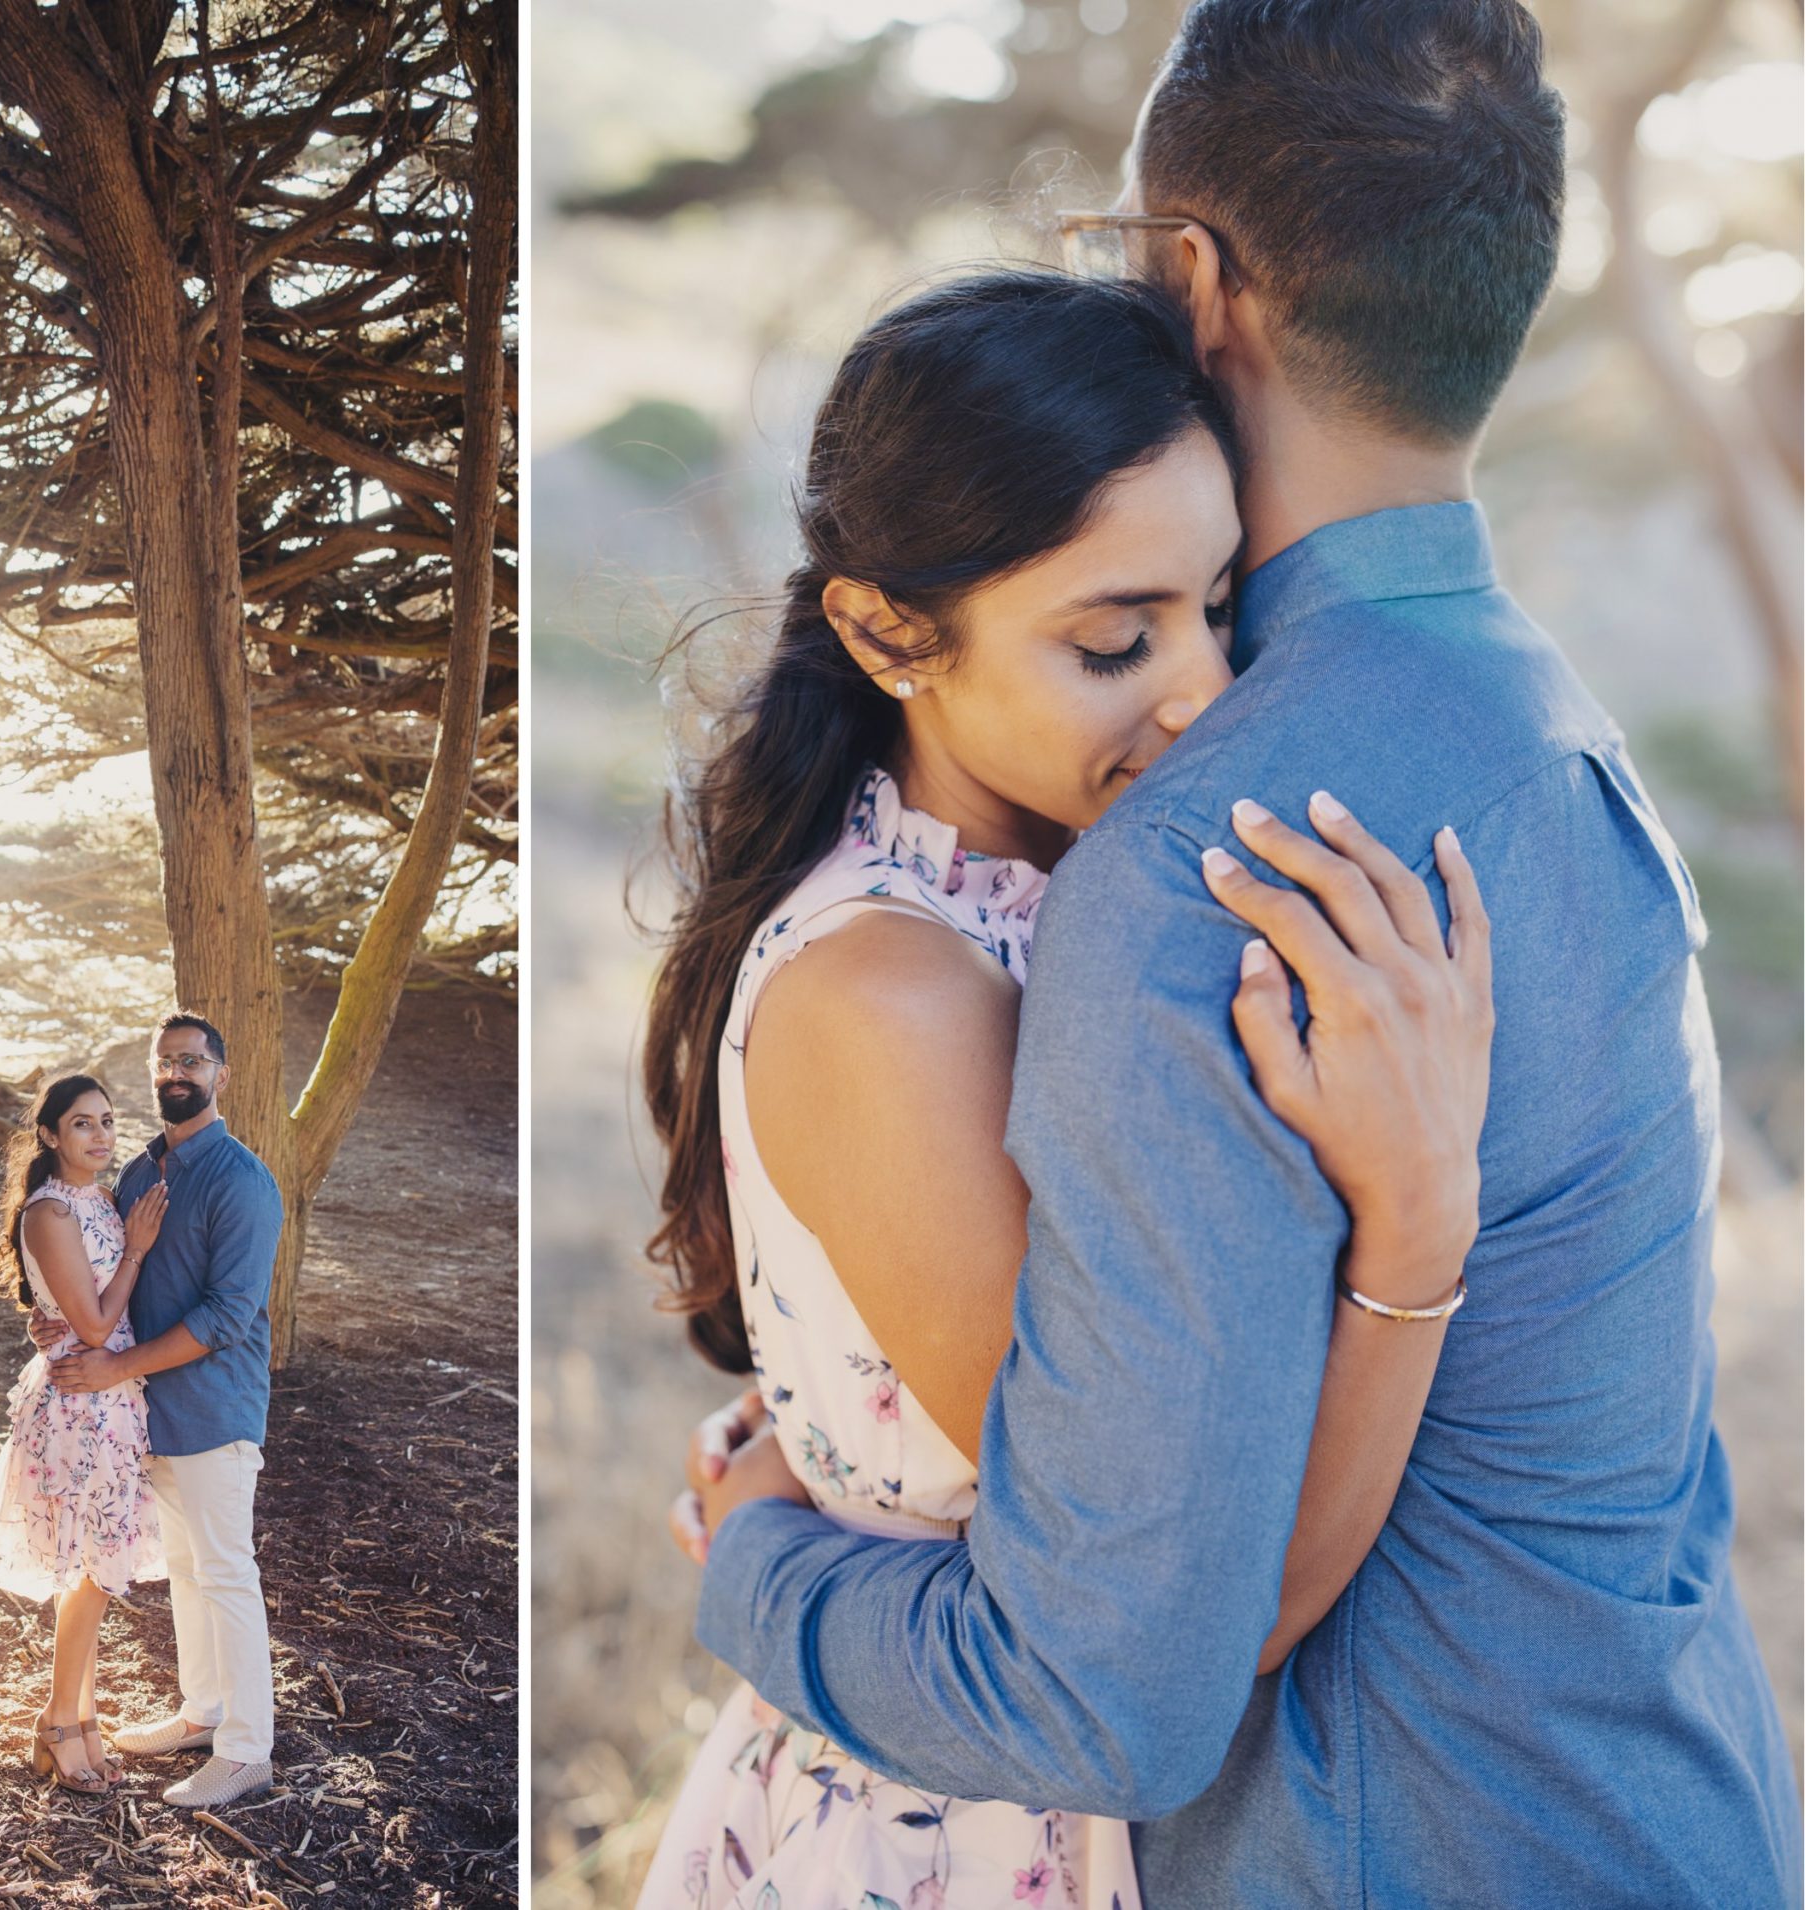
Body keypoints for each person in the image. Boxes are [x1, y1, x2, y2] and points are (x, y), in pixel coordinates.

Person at [674, 4, 1802, 1905]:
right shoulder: (1543, 724)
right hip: (1675, 1808)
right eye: (1126, 634)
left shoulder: (1215, 861)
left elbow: (1113, 1685)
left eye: (1186, 618)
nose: (1186, 689)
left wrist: (752, 1568)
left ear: (1192, 277)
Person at [635, 270, 1493, 1910]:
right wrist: (1416, 1224)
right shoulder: (896, 995)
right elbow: (1201, 1626)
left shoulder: (1075, 891)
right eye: (1116, 640)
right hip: (954, 1839)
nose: (1203, 694)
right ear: (890, 633)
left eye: (1222, 607)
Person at [39, 1012, 284, 1811]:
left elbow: (228, 1317)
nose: (178, 1071)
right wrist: (60, 1324)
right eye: (165, 1059)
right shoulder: (143, 1173)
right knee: (185, 1571)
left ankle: (247, 1752)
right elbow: (105, 1281)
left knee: (225, 1572)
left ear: (221, 1075)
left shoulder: (243, 1181)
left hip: (214, 1409)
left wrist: (115, 1365)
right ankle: (203, 1714)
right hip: (147, 1411)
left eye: (194, 1060)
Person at [0, 1073, 168, 1795]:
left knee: (96, 1571)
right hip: (82, 1406)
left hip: (113, 1399)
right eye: (82, 1123)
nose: (102, 1135)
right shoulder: (50, 1212)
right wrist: (137, 1248)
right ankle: (57, 1723)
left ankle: (82, 1718)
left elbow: (71, 1307)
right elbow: (97, 1325)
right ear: (49, 1135)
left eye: (108, 1121)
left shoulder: (96, 1199)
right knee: (93, 1574)